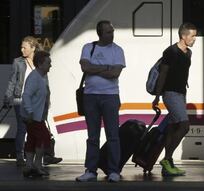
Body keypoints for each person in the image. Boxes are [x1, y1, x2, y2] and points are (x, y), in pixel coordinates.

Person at [75, 20, 125, 182]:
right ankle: (91, 170)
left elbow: (115, 73)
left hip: (110, 96)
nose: (112, 35)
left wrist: (95, 68)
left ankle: (114, 171)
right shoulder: (88, 48)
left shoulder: (118, 50)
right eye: (108, 32)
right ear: (100, 33)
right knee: (93, 136)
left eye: (112, 31)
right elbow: (85, 68)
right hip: (90, 96)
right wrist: (106, 68)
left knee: (113, 135)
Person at [3, 36, 62, 167]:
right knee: (24, 129)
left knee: (37, 130)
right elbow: (13, 81)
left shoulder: (41, 61)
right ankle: (21, 157)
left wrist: (48, 99)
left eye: (25, 47)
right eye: (21, 47)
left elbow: (45, 83)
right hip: (21, 101)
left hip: (38, 103)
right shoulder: (18, 62)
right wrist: (8, 97)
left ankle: (40, 159)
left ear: (33, 48)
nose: (22, 49)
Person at [152, 23, 197, 176]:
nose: (194, 39)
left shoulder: (188, 53)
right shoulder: (170, 52)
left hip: (181, 93)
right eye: (192, 36)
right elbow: (163, 74)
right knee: (184, 126)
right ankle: (167, 159)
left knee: (172, 126)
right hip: (170, 93)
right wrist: (157, 96)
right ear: (183, 36)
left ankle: (168, 163)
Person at [20, 50, 52, 177]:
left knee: (32, 139)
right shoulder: (35, 77)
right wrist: (30, 112)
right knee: (44, 138)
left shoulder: (41, 77)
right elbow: (26, 95)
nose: (50, 65)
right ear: (40, 64)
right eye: (48, 63)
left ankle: (29, 166)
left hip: (35, 116)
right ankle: (37, 165)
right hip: (32, 116)